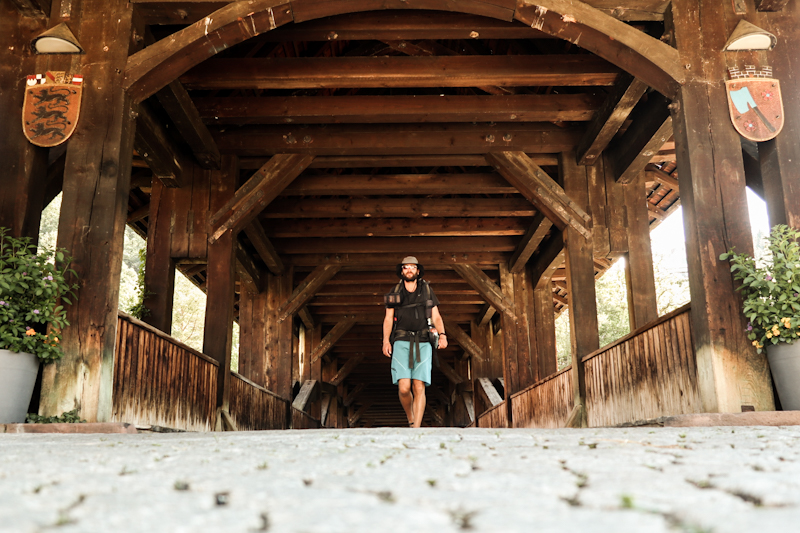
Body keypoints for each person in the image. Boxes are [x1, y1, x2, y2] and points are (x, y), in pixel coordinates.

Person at [382, 256, 447, 428]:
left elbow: (436, 316)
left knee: (419, 386)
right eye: (406, 267)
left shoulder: (427, 291)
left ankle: (416, 429)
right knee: (404, 387)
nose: (409, 270)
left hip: (424, 341)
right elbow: (388, 319)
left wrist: (442, 335)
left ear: (418, 270)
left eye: (412, 267)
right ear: (402, 271)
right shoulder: (394, 291)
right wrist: (385, 341)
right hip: (401, 340)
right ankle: (411, 418)